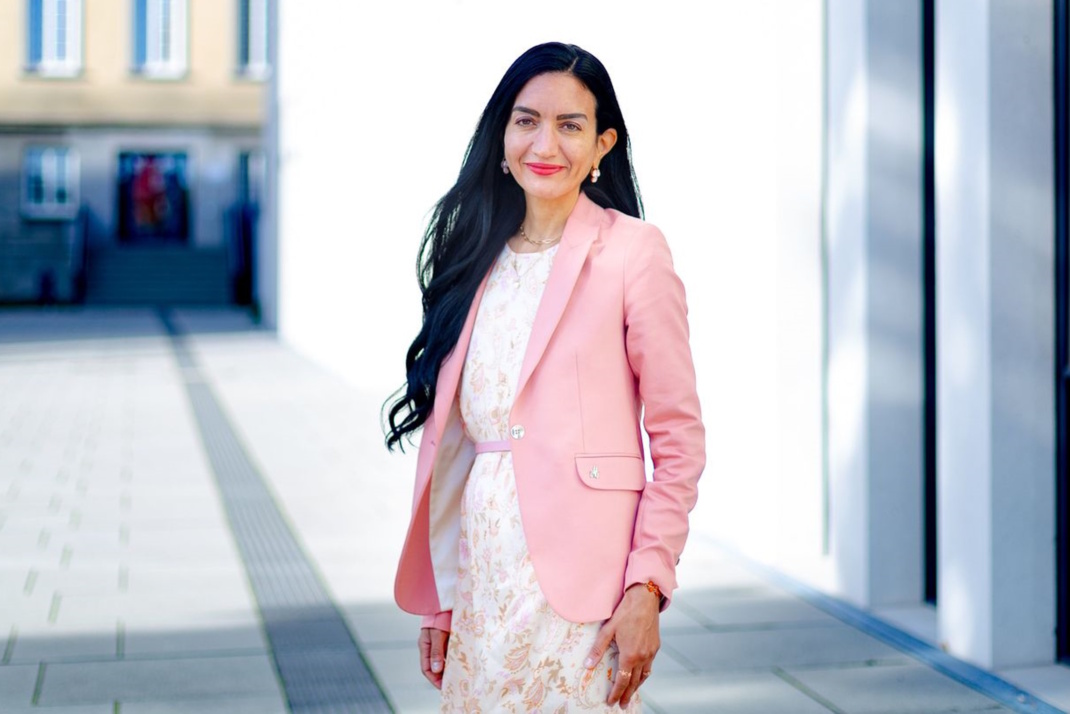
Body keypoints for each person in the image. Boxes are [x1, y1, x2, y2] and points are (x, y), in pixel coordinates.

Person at [386, 41, 705, 711]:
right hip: (481, 574)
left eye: (570, 125)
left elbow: (678, 440)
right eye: (527, 120)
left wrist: (648, 586)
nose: (545, 144)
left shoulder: (633, 251)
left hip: (585, 586)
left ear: (602, 145)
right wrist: (442, 600)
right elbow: (458, 446)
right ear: (502, 135)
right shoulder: (473, 258)